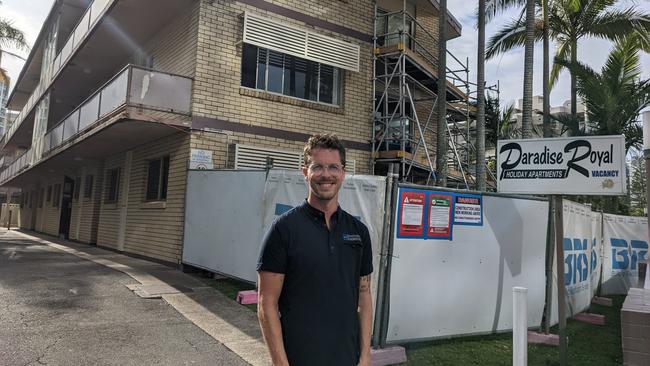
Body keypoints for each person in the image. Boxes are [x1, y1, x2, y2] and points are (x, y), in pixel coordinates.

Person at [257, 134, 374, 366]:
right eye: (317, 167)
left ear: (343, 172)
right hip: (299, 357)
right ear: (305, 172)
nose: (326, 175)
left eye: (333, 167)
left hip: (347, 358)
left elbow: (364, 294)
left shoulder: (358, 231)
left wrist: (365, 356)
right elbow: (266, 303)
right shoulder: (283, 230)